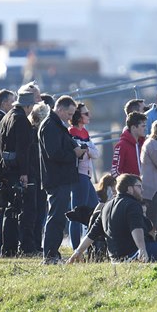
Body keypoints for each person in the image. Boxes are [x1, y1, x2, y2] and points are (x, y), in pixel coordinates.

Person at [67, 174, 157, 263]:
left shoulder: (106, 206)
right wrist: (142, 249)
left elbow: (91, 234)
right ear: (129, 189)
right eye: (139, 187)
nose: (142, 190)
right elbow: (136, 229)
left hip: (115, 259)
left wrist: (77, 252)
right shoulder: (132, 204)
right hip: (132, 254)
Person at [39, 95, 87, 264]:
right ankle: (50, 255)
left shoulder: (56, 125)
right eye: (69, 113)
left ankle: (53, 253)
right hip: (57, 178)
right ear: (59, 109)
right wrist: (74, 153)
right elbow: (54, 153)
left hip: (61, 177)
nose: (70, 117)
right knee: (56, 218)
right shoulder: (50, 126)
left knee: (58, 218)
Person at [0, 92, 37, 256]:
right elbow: (23, 150)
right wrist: (24, 173)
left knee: (11, 211)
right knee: (26, 211)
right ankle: (26, 248)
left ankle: (8, 248)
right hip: (19, 172)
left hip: (7, 170)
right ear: (27, 106)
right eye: (31, 107)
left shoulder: (6, 118)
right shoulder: (21, 120)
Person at [68, 103, 100, 250]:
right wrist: (87, 150)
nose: (89, 116)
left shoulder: (85, 133)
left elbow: (95, 153)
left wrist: (86, 150)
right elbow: (79, 153)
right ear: (78, 116)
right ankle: (76, 249)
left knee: (95, 209)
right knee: (77, 213)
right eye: (86, 114)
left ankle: (92, 245)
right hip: (78, 175)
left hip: (86, 175)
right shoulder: (71, 131)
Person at [27, 102, 51, 252]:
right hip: (37, 176)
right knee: (37, 212)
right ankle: (34, 244)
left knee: (37, 212)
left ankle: (35, 243)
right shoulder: (37, 134)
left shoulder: (31, 132)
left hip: (36, 175)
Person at [111, 112, 147, 177]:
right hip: (130, 186)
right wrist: (128, 183)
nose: (145, 129)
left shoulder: (145, 144)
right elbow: (115, 172)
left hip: (145, 186)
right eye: (143, 126)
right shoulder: (121, 145)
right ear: (133, 128)